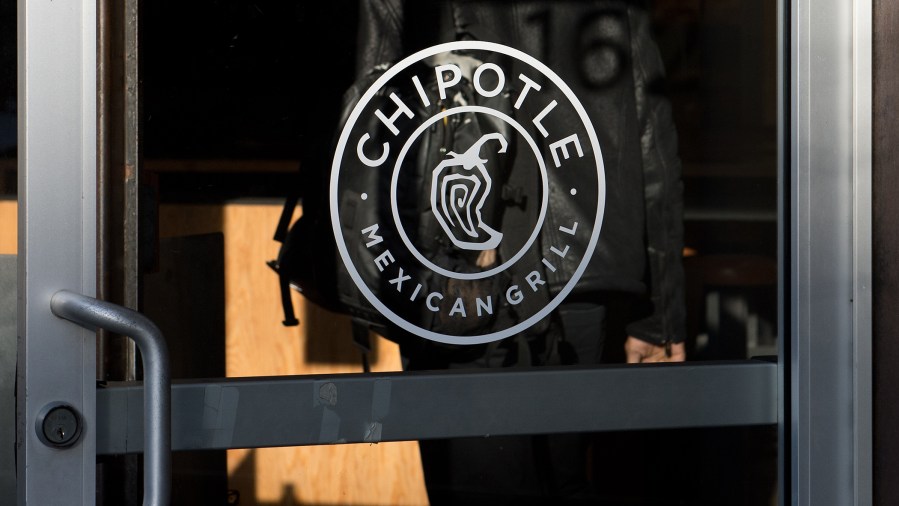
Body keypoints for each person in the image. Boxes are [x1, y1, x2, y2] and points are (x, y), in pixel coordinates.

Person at [328, 0, 687, 503]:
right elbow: (651, 138)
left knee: (476, 484)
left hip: (456, 277)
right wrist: (660, 318)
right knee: (566, 480)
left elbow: (370, 119)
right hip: (580, 274)